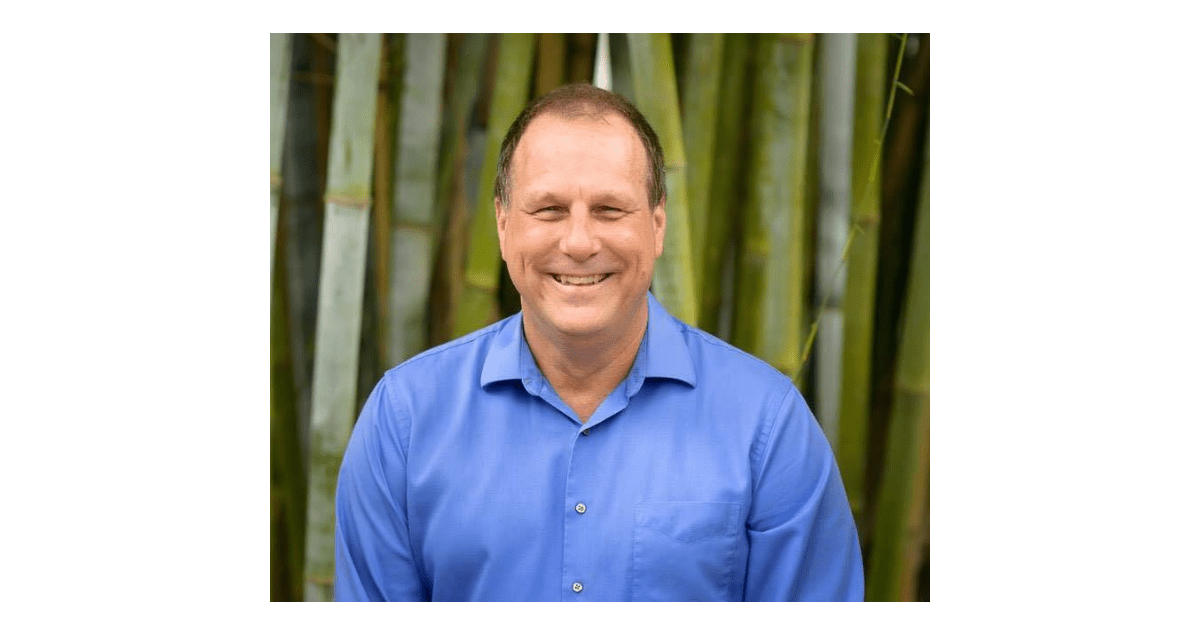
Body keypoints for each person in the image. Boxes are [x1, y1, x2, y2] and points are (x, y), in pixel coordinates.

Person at [333, 83, 863, 602]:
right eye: (548, 210)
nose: (580, 242)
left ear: (657, 226)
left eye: (610, 210)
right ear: (502, 225)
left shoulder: (766, 426)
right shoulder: (404, 421)